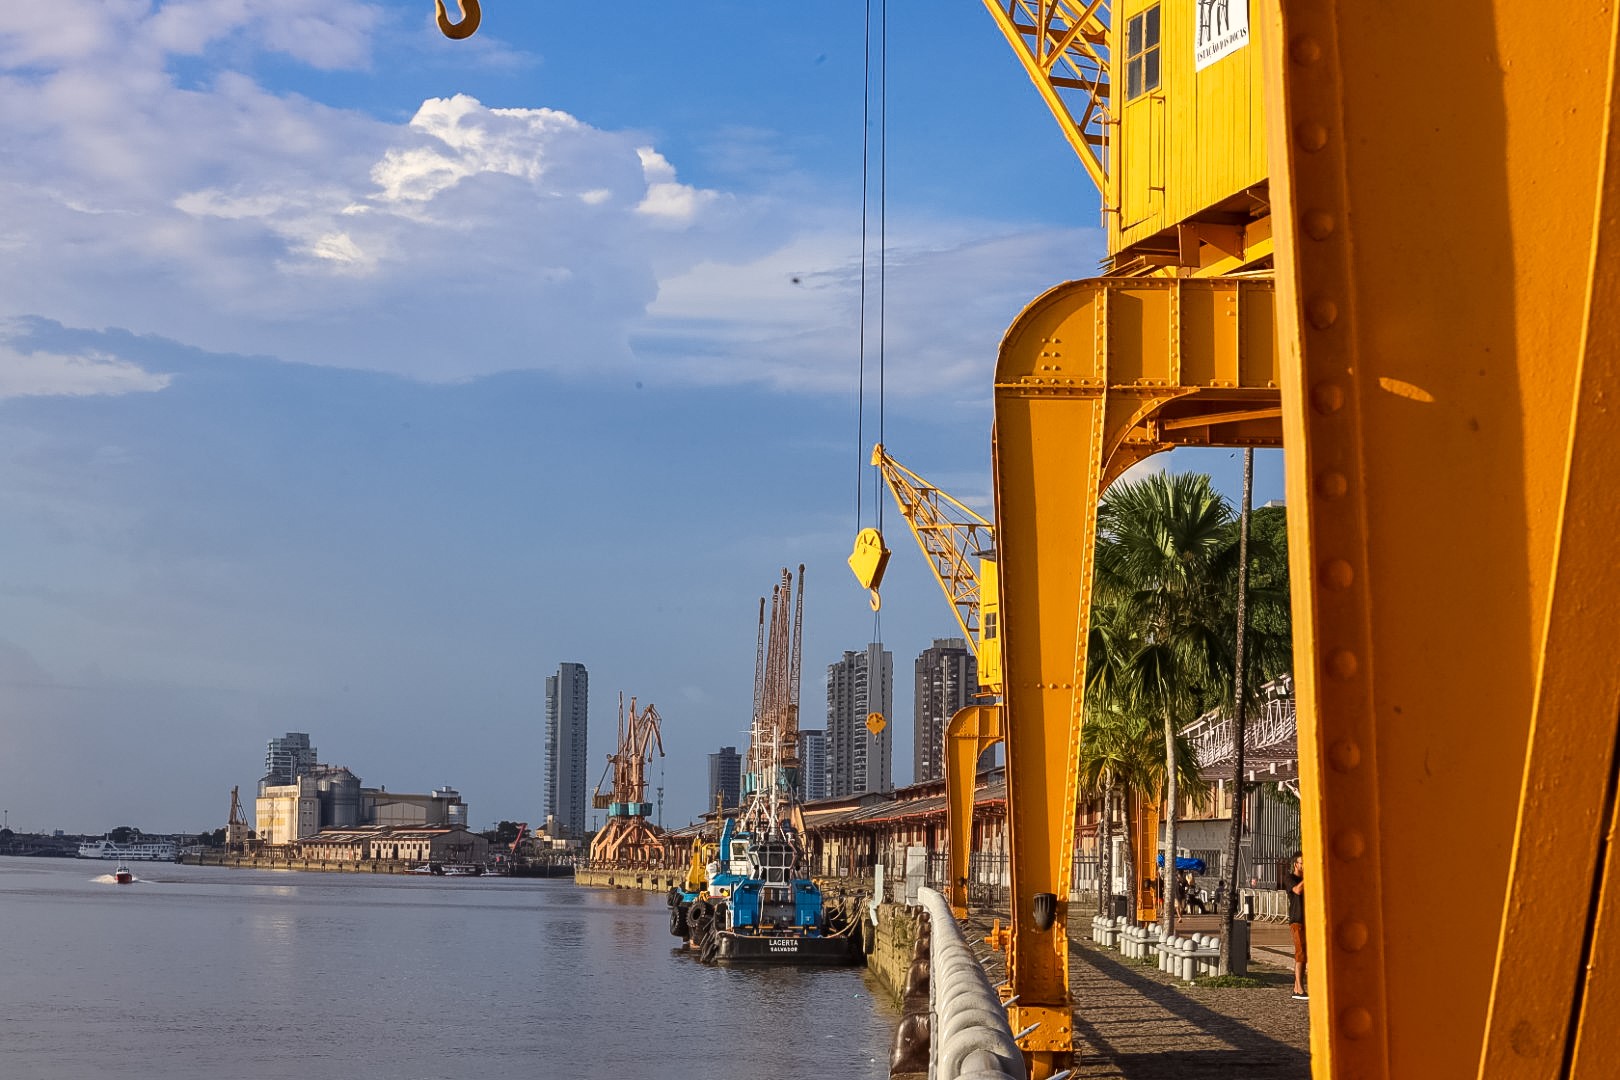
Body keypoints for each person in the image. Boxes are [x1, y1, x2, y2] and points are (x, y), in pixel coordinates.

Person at [1287, 851, 1307, 1001]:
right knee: (1300, 954)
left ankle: (1296, 987)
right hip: (1297, 920)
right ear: (1296, 864)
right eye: (1302, 863)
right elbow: (1297, 890)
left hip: (1307, 920)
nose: (1305, 865)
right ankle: (1299, 989)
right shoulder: (1290, 878)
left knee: (1305, 955)